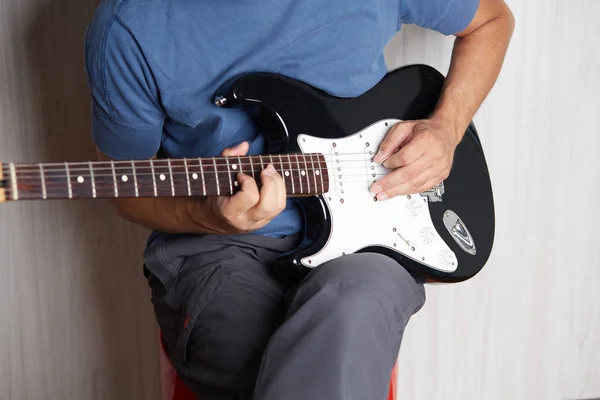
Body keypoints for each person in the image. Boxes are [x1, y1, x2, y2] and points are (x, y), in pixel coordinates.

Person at [84, 0, 514, 398]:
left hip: (371, 235)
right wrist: (211, 216)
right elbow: (126, 190)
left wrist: (446, 128)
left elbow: (492, 20)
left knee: (355, 305)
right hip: (216, 249)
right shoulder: (130, 27)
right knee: (286, 369)